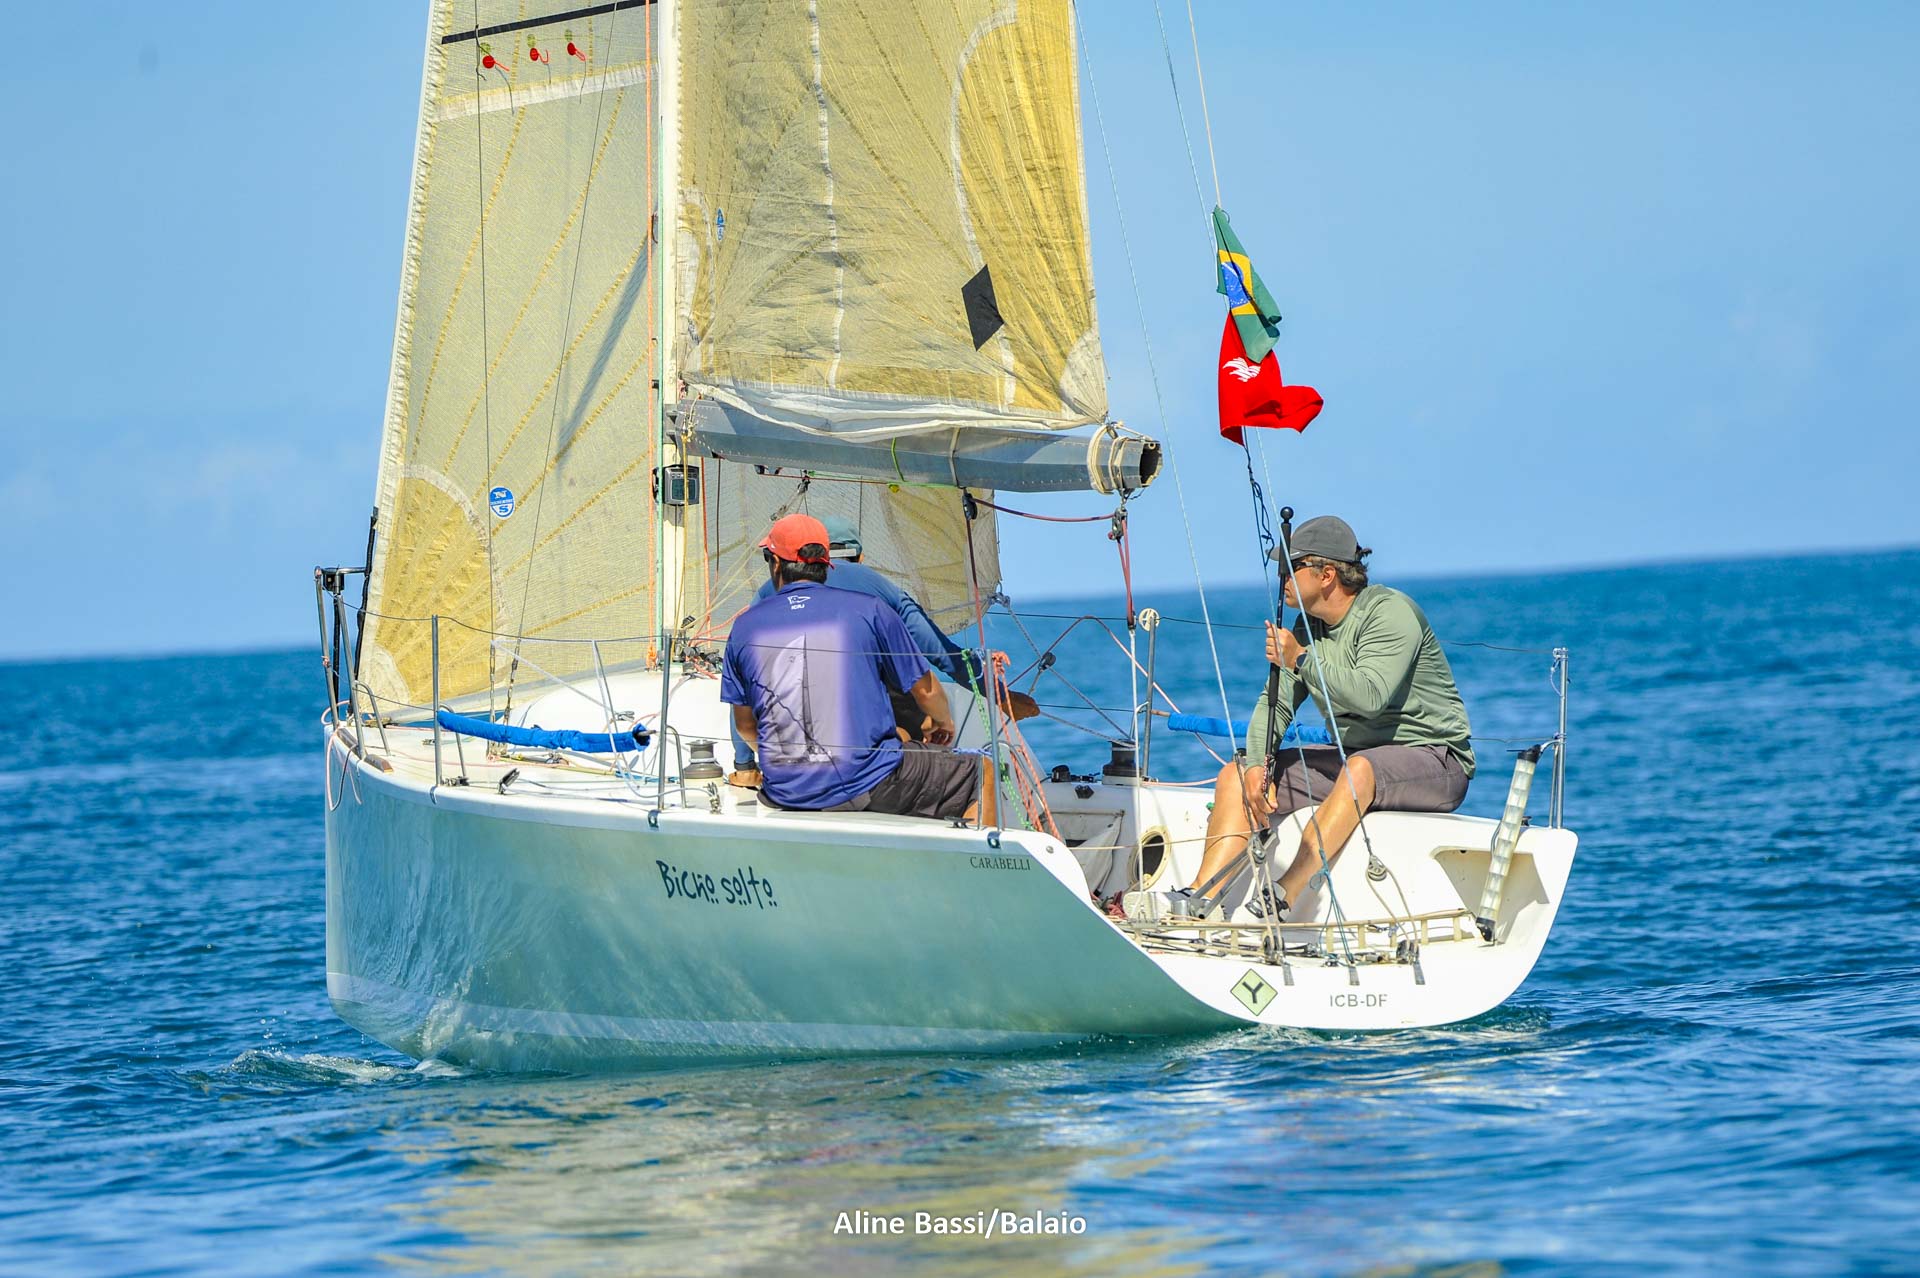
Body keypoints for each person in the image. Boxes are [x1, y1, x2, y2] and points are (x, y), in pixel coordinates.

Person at [1167, 515, 1474, 918]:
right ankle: (1200, 897)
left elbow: (1370, 696)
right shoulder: (1307, 626)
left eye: (1290, 568)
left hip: (1436, 761)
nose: (1282, 578)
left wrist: (1300, 657)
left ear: (1327, 574)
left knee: (1360, 770)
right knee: (1236, 774)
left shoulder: (1390, 612)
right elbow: (1275, 703)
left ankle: (1284, 894)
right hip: (1356, 758)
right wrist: (1258, 765)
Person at [721, 513, 997, 825]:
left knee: (896, 741)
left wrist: (781, 765)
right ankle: (971, 855)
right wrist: (943, 721)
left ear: (775, 563)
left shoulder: (744, 627)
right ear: (827, 562)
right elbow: (927, 691)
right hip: (867, 783)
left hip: (784, 791)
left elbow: (746, 727)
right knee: (980, 771)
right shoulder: (872, 609)